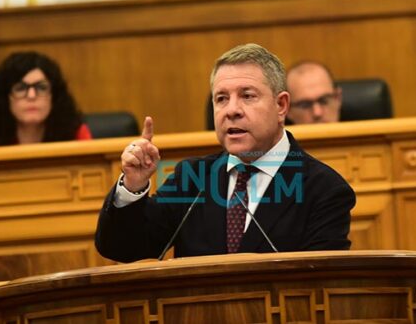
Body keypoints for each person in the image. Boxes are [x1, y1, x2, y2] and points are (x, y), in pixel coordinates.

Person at [95, 43, 355, 262]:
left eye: (247, 96)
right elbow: (123, 250)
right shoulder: (193, 178)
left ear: (281, 105)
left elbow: (320, 288)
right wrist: (133, 186)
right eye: (221, 98)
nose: (232, 110)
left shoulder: (324, 189)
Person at [0, 51, 90, 147]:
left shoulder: (76, 135)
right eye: (21, 88)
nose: (31, 96)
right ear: (6, 97)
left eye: (41, 88)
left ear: (54, 96)